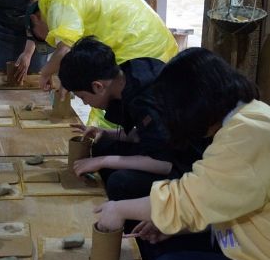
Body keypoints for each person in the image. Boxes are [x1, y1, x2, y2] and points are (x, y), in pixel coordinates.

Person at [95, 48, 270, 260]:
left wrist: (118, 208)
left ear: (195, 104)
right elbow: (221, 196)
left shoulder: (248, 135)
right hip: (242, 239)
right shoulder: (250, 116)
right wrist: (177, 227)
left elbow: (188, 198)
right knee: (156, 243)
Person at [58, 37, 207, 214]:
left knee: (120, 182)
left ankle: (128, 225)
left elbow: (165, 162)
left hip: (191, 164)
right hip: (170, 146)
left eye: (83, 97)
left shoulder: (145, 101)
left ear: (98, 86)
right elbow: (149, 135)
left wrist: (103, 161)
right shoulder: (132, 70)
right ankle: (110, 202)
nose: (85, 103)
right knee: (103, 144)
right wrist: (106, 133)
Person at [26, 0, 178, 126]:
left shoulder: (59, 6)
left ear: (35, 18)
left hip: (140, 42)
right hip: (149, 38)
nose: (46, 39)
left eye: (40, 37)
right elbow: (72, 54)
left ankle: (109, 146)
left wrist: (45, 73)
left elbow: (65, 50)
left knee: (109, 102)